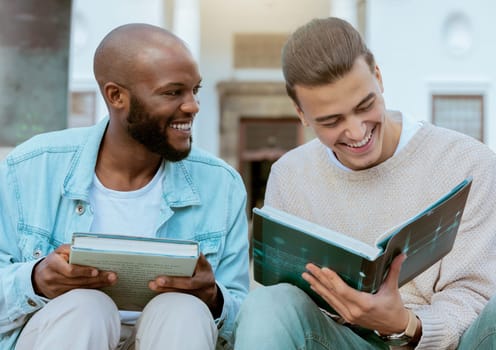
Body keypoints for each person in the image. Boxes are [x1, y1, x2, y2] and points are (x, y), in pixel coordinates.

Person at [233, 17, 496, 350]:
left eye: (365, 106)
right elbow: (286, 304)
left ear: (378, 77)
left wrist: (405, 325)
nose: (357, 132)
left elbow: (476, 297)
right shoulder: (290, 176)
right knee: (266, 306)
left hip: (451, 342)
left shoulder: (467, 162)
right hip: (343, 341)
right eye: (331, 121)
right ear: (301, 115)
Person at [0, 23, 250, 350]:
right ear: (116, 96)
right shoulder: (31, 168)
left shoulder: (221, 185)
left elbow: (244, 320)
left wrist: (214, 298)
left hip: (171, 335)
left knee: (184, 310)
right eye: (173, 92)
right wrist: (35, 280)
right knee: (86, 306)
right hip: (66, 333)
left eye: (195, 90)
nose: (192, 106)